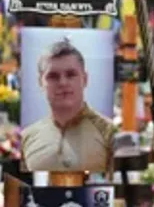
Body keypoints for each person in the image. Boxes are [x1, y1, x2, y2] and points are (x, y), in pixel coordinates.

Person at [21, 39, 115, 174]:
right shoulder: (27, 138)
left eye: (71, 75)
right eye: (53, 76)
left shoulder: (109, 133)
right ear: (40, 82)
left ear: (85, 79)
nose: (63, 83)